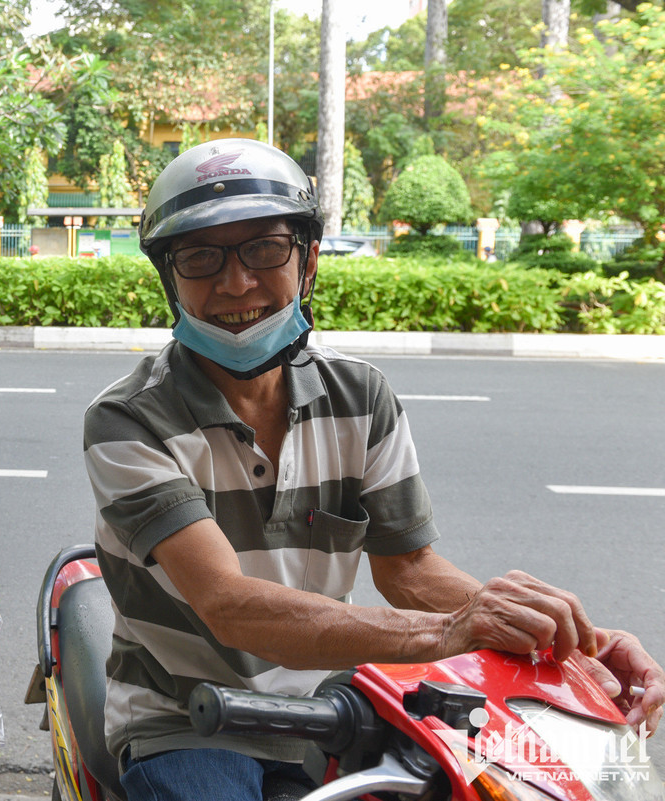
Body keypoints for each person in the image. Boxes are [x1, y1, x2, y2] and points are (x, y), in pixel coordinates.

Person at [82, 139, 664, 801]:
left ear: (308, 263)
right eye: (200, 256)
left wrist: (568, 644)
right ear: (169, 275)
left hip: (338, 701)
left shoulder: (361, 396)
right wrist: (453, 628)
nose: (236, 282)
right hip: (186, 718)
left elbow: (408, 568)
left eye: (265, 248)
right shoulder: (129, 418)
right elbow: (228, 605)